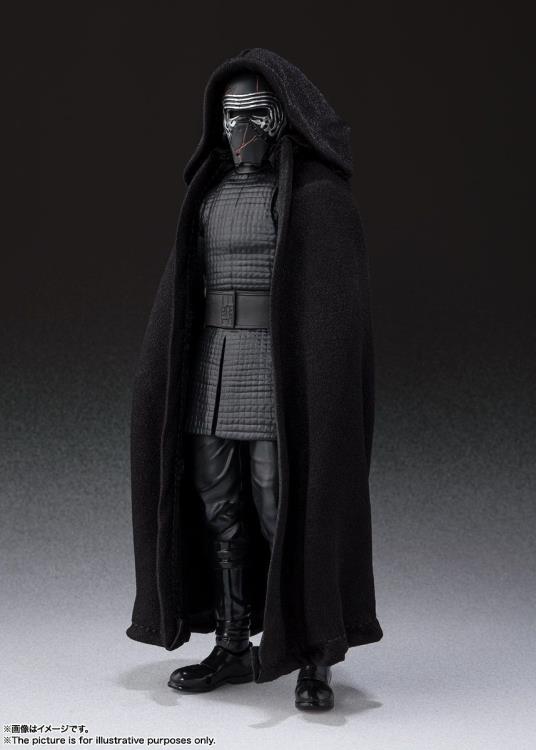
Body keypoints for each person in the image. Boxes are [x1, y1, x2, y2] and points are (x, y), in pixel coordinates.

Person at [127, 48, 383, 713]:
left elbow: (334, 313)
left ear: (282, 118)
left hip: (275, 372)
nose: (240, 130)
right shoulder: (208, 193)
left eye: (255, 115)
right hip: (210, 368)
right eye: (229, 116)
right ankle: (234, 642)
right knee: (220, 512)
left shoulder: (314, 199)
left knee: (282, 510)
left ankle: (311, 654)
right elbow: (183, 291)